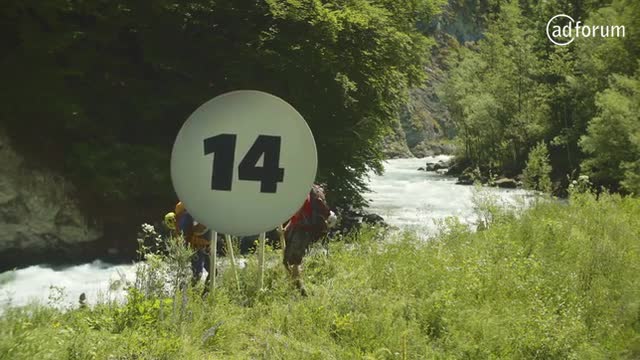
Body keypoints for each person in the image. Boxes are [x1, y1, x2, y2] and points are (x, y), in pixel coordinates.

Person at [283, 183, 335, 296]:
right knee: (288, 261)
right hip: (300, 228)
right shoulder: (306, 190)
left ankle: (300, 290)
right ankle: (295, 286)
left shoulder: (302, 192)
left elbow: (296, 212)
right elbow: (296, 216)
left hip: (302, 231)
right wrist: (286, 228)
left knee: (294, 261)